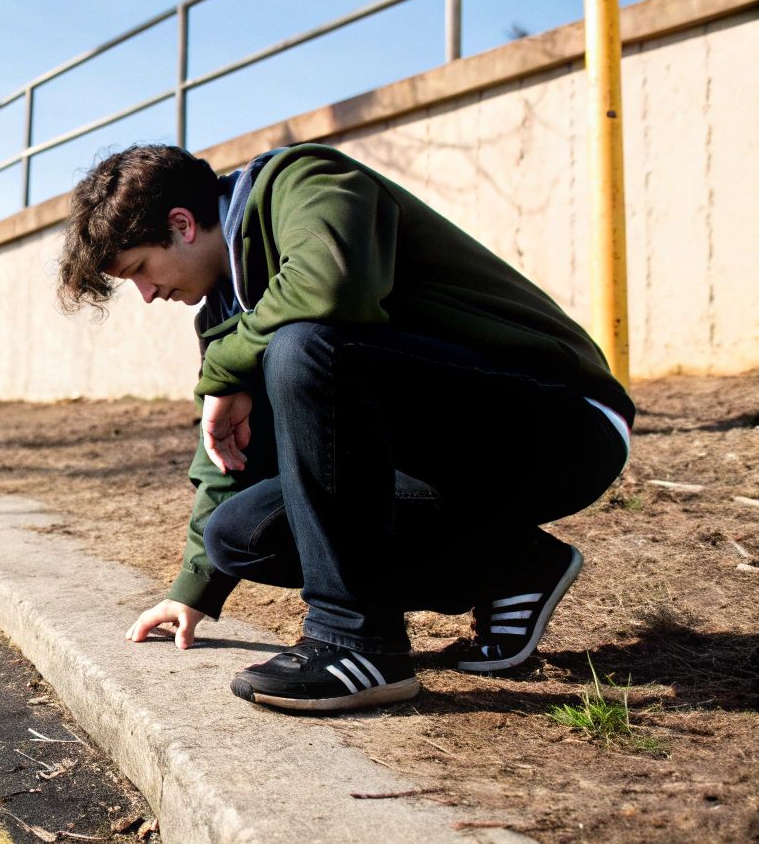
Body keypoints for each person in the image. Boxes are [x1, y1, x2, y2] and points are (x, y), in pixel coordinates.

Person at [57, 142, 633, 712]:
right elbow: (226, 455)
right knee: (239, 535)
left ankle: (356, 642)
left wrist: (225, 367)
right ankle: (511, 567)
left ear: (182, 224)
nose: (149, 294)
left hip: (563, 421)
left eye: (140, 271)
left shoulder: (305, 181)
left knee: (305, 347)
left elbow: (331, 288)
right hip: (441, 464)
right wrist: (192, 593)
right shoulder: (224, 307)